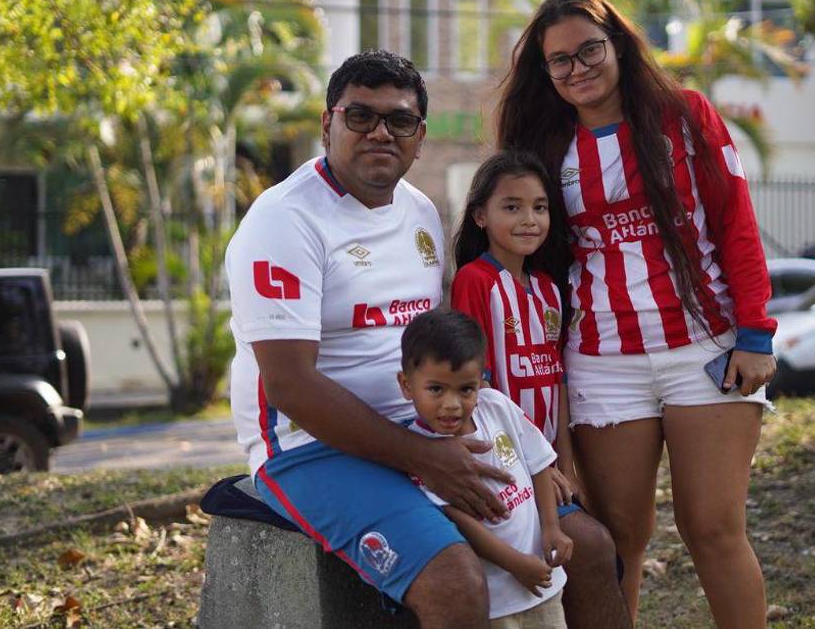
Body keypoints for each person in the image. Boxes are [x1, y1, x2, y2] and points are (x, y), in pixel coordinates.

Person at [224, 50, 630, 629]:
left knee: (586, 546)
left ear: (420, 135)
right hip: (310, 448)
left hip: (427, 423)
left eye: (400, 120)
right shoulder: (283, 220)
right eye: (360, 116)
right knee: (456, 581)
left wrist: (469, 432)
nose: (380, 133)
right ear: (327, 123)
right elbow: (288, 386)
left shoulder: (419, 211)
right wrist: (425, 459)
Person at [494, 0, 778, 628]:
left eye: (588, 49)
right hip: (601, 363)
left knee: (712, 529)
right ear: (546, 74)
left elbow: (736, 224)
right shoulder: (542, 144)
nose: (577, 68)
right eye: (559, 61)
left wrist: (756, 332)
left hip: (706, 351)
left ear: (617, 44)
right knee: (618, 538)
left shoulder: (685, 117)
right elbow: (532, 256)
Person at [400, 309, 573, 629]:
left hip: (543, 582)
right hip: (498, 599)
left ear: (480, 382)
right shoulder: (421, 450)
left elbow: (538, 465)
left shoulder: (497, 406)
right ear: (406, 385)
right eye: (436, 389)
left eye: (465, 390)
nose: (451, 404)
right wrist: (515, 564)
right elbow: (460, 521)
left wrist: (551, 527)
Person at [450, 150, 581, 506]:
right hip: (508, 461)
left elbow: (559, 384)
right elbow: (480, 385)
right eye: (512, 207)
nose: (529, 219)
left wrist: (564, 467)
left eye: (540, 207)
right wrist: (534, 464)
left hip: (550, 467)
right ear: (480, 216)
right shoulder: (474, 280)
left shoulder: (549, 289)